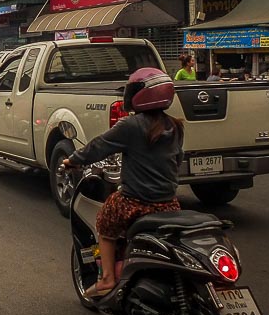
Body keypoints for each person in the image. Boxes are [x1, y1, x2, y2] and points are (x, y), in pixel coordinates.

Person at [63, 68, 184, 297]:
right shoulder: (175, 126)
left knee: (104, 224)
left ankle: (107, 279)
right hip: (169, 204)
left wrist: (72, 160)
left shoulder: (132, 126)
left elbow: (99, 146)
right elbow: (178, 159)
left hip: (135, 203)